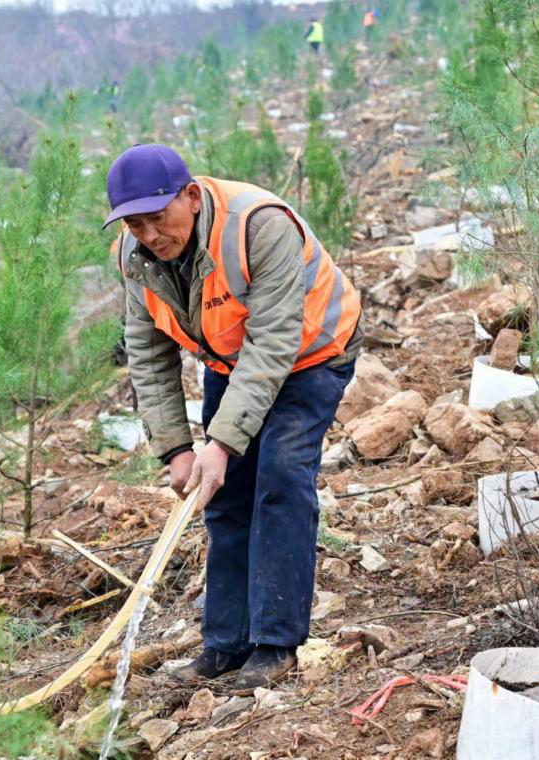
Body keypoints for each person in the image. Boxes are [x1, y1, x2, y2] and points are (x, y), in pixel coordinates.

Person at [104, 144, 362, 690]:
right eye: (135, 223)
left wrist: (220, 443)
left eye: (159, 217)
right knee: (221, 494)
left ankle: (275, 643)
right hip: (232, 360)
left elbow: (273, 342)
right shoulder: (133, 256)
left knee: (281, 475)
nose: (150, 234)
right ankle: (226, 645)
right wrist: (177, 449)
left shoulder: (259, 226)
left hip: (313, 352)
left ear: (192, 198)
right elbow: (148, 352)